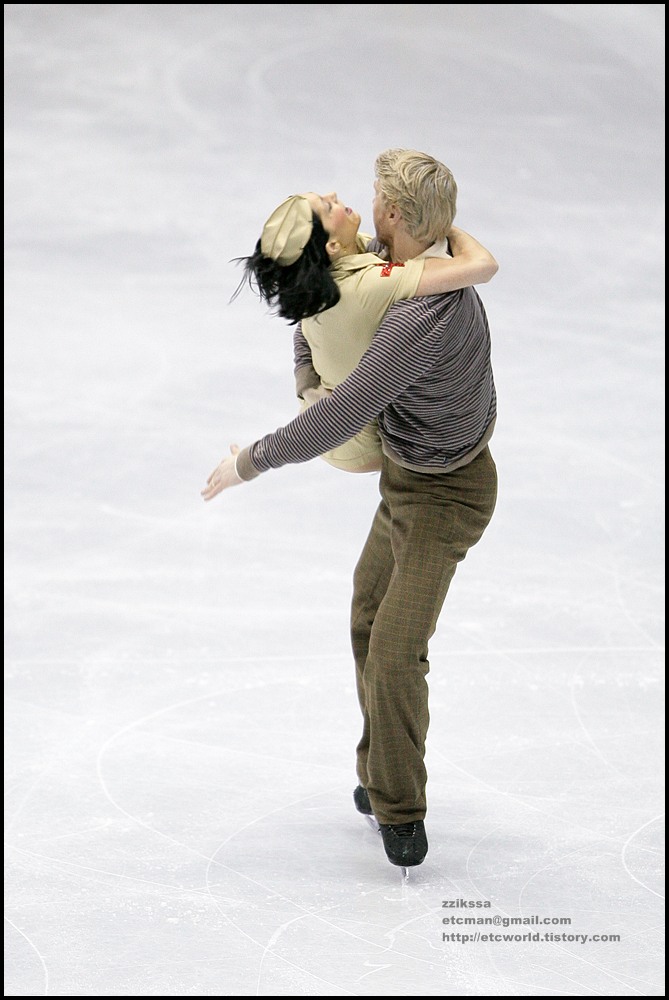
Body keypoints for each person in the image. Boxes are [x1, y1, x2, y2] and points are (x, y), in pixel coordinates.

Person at [202, 149, 499, 870]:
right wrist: (307, 377)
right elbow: (310, 316)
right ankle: (381, 767)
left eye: (366, 199)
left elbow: (343, 417)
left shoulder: (416, 314)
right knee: (367, 616)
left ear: (392, 216)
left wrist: (249, 462)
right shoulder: (370, 266)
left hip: (447, 493)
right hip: (403, 477)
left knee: (396, 652)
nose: (352, 202)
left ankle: (399, 809)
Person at [233, 187, 496, 473]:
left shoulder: (327, 270)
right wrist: (432, 219)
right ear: (331, 245)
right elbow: (482, 266)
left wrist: (308, 386)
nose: (333, 195)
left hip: (325, 410)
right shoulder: (369, 286)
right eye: (326, 207)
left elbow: (302, 333)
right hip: (353, 446)